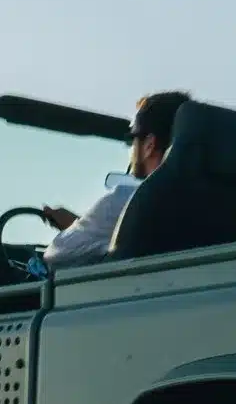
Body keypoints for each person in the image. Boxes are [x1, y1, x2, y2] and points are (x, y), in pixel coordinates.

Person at [39, 91, 188, 270]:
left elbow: (56, 255)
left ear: (149, 144)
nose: (131, 148)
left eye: (133, 138)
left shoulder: (125, 203)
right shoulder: (220, 205)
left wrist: (78, 227)